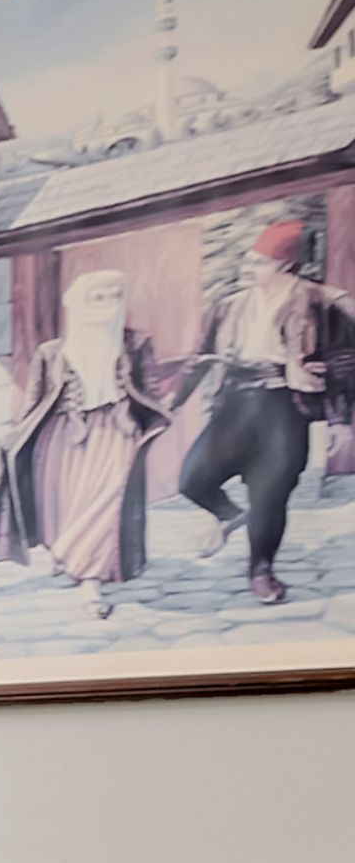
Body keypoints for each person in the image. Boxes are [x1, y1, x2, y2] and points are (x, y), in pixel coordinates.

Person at [177, 218, 355, 608]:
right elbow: (199, 358)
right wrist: (172, 402)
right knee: (192, 479)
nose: (248, 268)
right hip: (235, 402)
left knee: (270, 495)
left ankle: (261, 571)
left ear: (285, 264)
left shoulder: (322, 302)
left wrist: (341, 421)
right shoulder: (228, 307)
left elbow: (343, 364)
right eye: (248, 260)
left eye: (258, 262)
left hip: (284, 406)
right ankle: (228, 515)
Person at [0, 268, 166, 617]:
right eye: (98, 298)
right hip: (63, 436)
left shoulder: (136, 343)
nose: (107, 305)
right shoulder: (52, 352)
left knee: (106, 503)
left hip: (116, 433)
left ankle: (89, 581)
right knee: (68, 507)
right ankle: (67, 553)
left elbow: (151, 389)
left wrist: (144, 414)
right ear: (79, 303)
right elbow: (34, 401)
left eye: (114, 297)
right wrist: (18, 437)